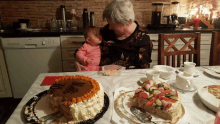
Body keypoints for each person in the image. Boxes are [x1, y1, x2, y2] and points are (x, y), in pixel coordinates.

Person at [100, 0, 153, 69]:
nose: (109, 28)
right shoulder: (105, 32)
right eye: (109, 23)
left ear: (127, 22)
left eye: (113, 25)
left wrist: (119, 69)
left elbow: (142, 69)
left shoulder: (142, 37)